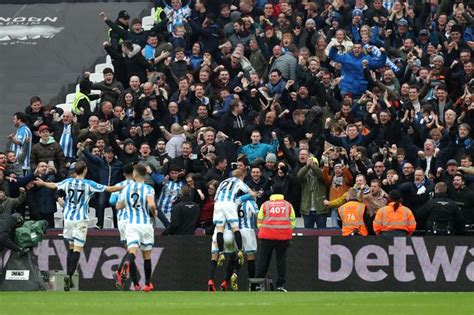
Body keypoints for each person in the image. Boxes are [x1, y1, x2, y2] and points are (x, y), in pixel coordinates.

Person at [33, 161, 123, 291]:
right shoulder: (88, 184)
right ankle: (69, 275)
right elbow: (109, 189)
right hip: (80, 219)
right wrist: (124, 187)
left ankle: (68, 275)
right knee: (77, 248)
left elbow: (54, 185)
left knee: (70, 247)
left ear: (75, 170)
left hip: (68, 219)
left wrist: (42, 183)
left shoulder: (68, 181)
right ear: (85, 170)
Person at [114, 164, 157, 292]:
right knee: (147, 255)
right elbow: (151, 204)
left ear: (135, 174)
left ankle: (125, 265)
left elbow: (118, 206)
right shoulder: (148, 189)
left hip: (131, 224)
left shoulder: (126, 189)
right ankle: (147, 284)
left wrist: (127, 206)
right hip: (145, 224)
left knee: (132, 251)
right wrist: (154, 212)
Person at [213, 169, 255, 267]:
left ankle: (221, 252)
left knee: (220, 229)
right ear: (241, 176)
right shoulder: (238, 181)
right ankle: (240, 250)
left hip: (218, 204)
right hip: (229, 203)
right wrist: (252, 197)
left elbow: (215, 197)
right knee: (235, 227)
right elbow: (251, 193)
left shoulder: (223, 182)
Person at [255, 191, 295, 292]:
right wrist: (284, 230)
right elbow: (293, 222)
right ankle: (280, 285)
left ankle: (258, 285)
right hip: (283, 238)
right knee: (281, 262)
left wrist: (266, 230)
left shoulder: (265, 204)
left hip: (266, 237)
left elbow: (259, 221)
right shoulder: (288, 205)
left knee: (263, 261)